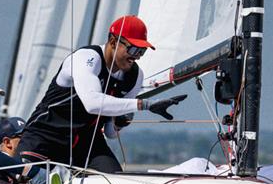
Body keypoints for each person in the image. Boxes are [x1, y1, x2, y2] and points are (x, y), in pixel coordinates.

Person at [17, 15, 187, 173]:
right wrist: (145, 105)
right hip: (46, 135)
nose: (137, 57)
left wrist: (120, 121)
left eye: (142, 52)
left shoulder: (135, 77)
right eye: (134, 50)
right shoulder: (87, 58)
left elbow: (110, 133)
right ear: (113, 42)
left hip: (87, 142)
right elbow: (93, 104)